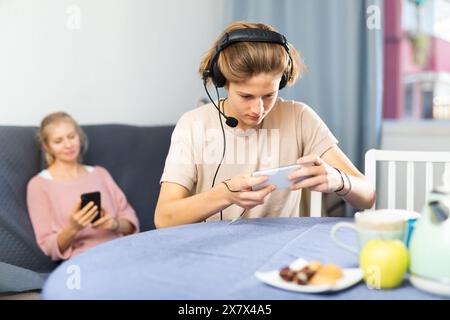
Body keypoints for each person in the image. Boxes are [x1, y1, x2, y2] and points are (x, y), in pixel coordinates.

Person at [155, 21, 375, 228]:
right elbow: (164, 218)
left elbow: (367, 195)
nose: (258, 109)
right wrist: (225, 194)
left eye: (269, 95)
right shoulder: (193, 125)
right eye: (246, 96)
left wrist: (339, 180)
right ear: (223, 82)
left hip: (280, 252)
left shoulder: (300, 117)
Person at [27, 112, 139, 261]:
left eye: (72, 136)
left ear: (79, 137)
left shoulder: (100, 173)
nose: (68, 145)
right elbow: (47, 246)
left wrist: (114, 224)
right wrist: (74, 228)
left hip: (122, 251)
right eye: (58, 141)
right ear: (47, 147)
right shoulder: (38, 185)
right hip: (84, 260)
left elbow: (131, 222)